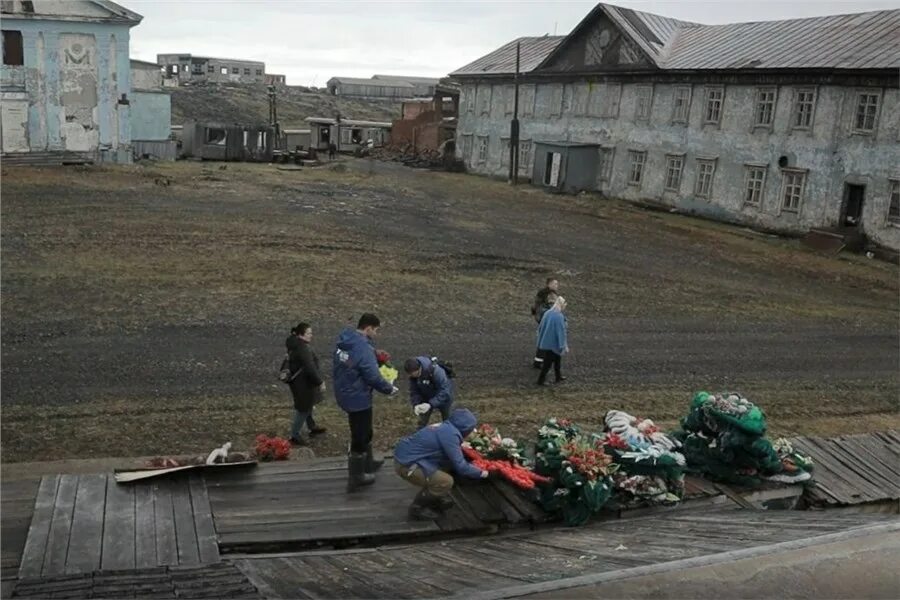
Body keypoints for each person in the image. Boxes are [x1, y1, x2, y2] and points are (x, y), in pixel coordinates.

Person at [333, 313, 399, 492]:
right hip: (357, 397)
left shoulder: (347, 341)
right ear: (368, 328)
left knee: (365, 428)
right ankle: (356, 476)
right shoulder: (361, 347)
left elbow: (353, 362)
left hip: (346, 391)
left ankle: (368, 461)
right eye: (376, 330)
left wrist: (373, 353)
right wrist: (388, 388)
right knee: (360, 434)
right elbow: (372, 375)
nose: (376, 334)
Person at [393, 408, 489, 520]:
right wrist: (483, 473)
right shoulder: (450, 435)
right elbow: (461, 466)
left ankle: (435, 499)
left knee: (446, 465)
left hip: (409, 457)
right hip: (407, 465)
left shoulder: (446, 427)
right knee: (445, 481)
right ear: (465, 429)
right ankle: (417, 508)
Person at [285, 322, 327, 446]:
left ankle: (311, 426)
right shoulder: (303, 348)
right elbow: (310, 367)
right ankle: (295, 435)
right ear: (301, 335)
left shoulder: (295, 343)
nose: (311, 335)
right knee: (303, 408)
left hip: (299, 382)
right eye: (309, 333)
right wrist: (320, 382)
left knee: (308, 404)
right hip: (303, 383)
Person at [404, 357, 454, 429]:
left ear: (419, 369)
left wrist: (431, 404)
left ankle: (451, 435)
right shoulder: (413, 376)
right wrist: (416, 404)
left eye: (416, 374)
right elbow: (414, 391)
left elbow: (445, 391)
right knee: (421, 422)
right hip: (426, 397)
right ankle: (420, 436)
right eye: (411, 375)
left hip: (444, 398)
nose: (414, 377)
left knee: (448, 421)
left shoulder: (437, 372)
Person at [536, 296, 568, 386]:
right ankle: (540, 381)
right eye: (564, 304)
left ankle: (558, 376)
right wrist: (563, 345)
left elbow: (541, 326)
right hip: (554, 343)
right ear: (561, 305)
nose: (565, 306)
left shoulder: (548, 313)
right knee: (547, 363)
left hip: (547, 342)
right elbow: (561, 332)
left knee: (557, 360)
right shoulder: (559, 316)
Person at [531, 278, 560, 368]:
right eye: (555, 284)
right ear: (549, 284)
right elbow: (554, 308)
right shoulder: (550, 294)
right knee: (547, 340)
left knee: (544, 339)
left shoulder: (541, 293)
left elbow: (535, 307)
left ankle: (539, 360)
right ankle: (540, 362)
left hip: (541, 319)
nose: (557, 286)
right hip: (548, 319)